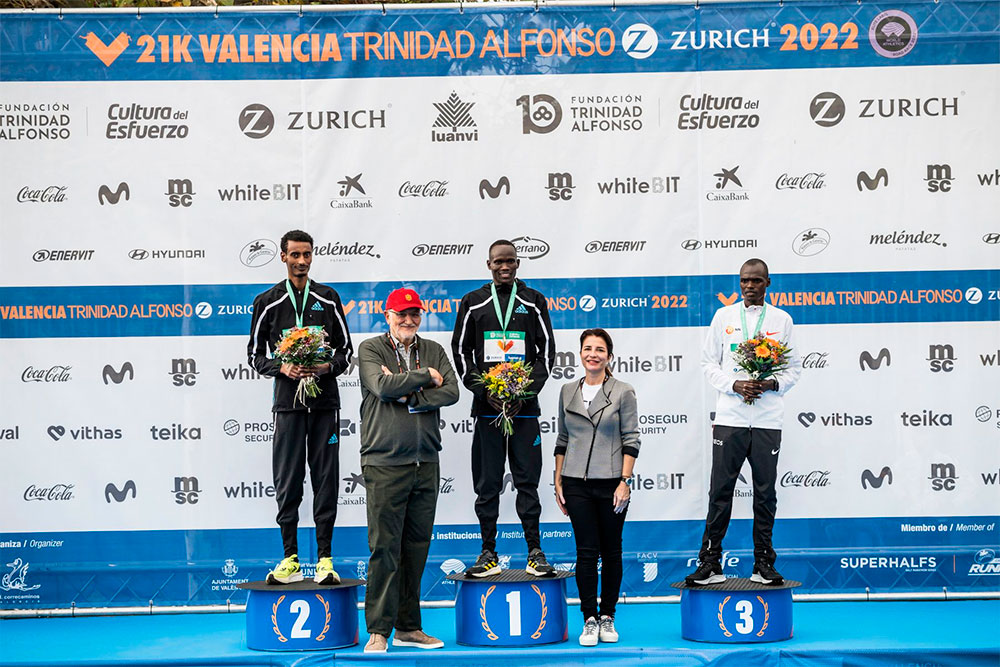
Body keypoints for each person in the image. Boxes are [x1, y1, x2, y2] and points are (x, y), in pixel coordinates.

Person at [686, 258, 800, 587]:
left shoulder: (783, 319)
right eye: (744, 281)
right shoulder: (724, 317)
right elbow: (708, 363)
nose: (749, 286)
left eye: (756, 281)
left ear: (768, 283)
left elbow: (794, 370)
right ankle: (710, 562)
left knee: (765, 494)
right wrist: (734, 385)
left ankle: (763, 563)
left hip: (767, 418)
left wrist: (770, 384)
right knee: (720, 491)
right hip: (730, 417)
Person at [247, 229, 353, 585]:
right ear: (283, 257)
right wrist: (283, 368)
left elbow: (346, 351)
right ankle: (289, 557)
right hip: (288, 407)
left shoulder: (328, 297)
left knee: (326, 481)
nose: (302, 261)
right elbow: (254, 355)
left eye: (307, 254)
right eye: (295, 255)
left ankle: (325, 558)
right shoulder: (268, 301)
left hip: (324, 404)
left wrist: (324, 367)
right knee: (288, 481)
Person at [357, 288, 459, 653]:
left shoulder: (434, 348)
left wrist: (409, 394)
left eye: (415, 314)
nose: (409, 320)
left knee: (415, 549)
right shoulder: (370, 348)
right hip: (384, 462)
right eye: (401, 313)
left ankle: (409, 627)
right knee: (385, 549)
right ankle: (379, 631)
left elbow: (452, 392)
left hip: (425, 461)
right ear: (387, 315)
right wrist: (424, 377)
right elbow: (381, 386)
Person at [452, 239, 557, 577]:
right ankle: (488, 552)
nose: (505, 266)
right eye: (498, 261)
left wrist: (523, 392)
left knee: (527, 482)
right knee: (487, 483)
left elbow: (548, 352)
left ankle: (535, 551)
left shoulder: (534, 301)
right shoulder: (473, 302)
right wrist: (484, 391)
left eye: (510, 261)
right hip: (487, 410)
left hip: (524, 411)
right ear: (488, 264)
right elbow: (459, 351)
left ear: (518, 263)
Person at [554, 328, 639, 646]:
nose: (593, 354)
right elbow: (562, 439)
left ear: (609, 356)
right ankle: (589, 619)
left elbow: (632, 438)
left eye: (599, 349)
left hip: (612, 484)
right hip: (575, 483)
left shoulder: (623, 391)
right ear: (580, 354)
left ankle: (608, 616)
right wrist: (558, 480)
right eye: (588, 348)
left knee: (611, 551)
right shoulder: (566, 391)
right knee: (586, 552)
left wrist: (624, 482)